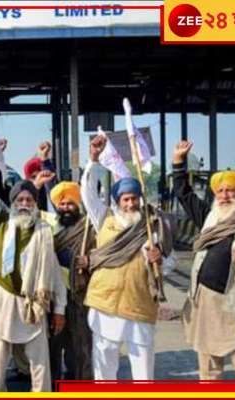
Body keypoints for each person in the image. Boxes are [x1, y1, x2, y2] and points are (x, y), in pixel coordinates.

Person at [0, 137, 67, 392]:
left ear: (35, 204)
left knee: (39, 362)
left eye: (29, 200)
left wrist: (60, 310)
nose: (24, 204)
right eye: (19, 200)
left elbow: (54, 275)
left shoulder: (44, 231)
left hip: (34, 302)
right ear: (13, 204)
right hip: (3, 300)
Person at [79, 135, 174, 380]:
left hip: (140, 304)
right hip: (105, 304)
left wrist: (160, 260)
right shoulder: (104, 220)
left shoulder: (153, 226)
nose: (130, 204)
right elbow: (88, 193)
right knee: (104, 368)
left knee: (143, 371)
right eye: (126, 199)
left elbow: (171, 263)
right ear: (118, 201)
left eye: (134, 199)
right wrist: (93, 160)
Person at [173, 141, 235, 380]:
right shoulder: (209, 217)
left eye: (230, 190)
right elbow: (184, 194)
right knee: (209, 372)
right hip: (205, 303)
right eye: (220, 191)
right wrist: (179, 162)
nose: (224, 195)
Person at [49, 182, 96, 381]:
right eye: (62, 204)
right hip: (53, 298)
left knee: (80, 349)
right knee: (52, 349)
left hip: (80, 296)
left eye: (70, 204)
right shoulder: (50, 228)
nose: (66, 208)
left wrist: (90, 261)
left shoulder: (89, 228)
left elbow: (100, 254)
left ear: (78, 205)